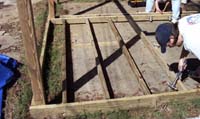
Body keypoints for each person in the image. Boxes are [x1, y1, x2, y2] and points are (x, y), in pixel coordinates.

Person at [155, 13, 200, 78]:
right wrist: (182, 58)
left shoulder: (192, 41)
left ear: (171, 38)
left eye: (168, 45)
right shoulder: (181, 23)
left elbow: (191, 41)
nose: (170, 47)